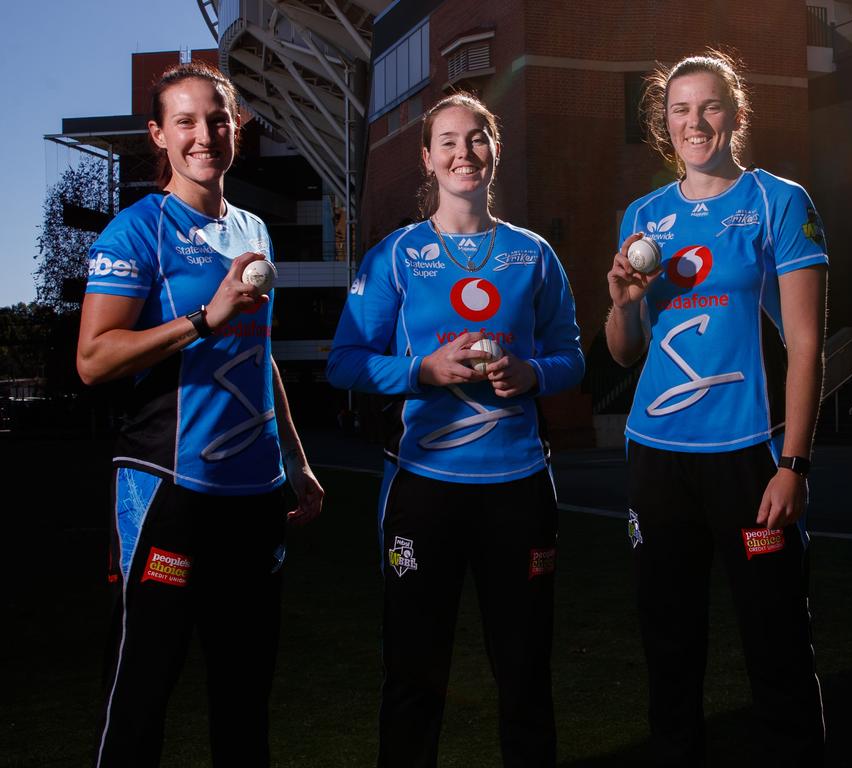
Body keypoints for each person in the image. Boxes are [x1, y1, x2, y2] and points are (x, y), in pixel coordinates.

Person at [76, 61, 324, 767]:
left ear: (236, 126)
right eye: (184, 121)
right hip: (170, 489)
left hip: (254, 497)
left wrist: (296, 461)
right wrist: (202, 316)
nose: (203, 135)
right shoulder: (135, 231)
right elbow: (94, 359)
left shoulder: (252, 229)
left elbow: (261, 353)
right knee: (142, 692)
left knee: (244, 702)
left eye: (217, 118)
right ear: (159, 134)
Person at [327, 93, 584, 768]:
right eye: (448, 141)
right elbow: (345, 362)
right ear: (427, 158)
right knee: (414, 678)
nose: (462, 153)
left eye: (475, 140)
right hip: (423, 491)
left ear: (494, 151)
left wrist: (533, 374)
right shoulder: (397, 255)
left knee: (525, 677)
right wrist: (423, 371)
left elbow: (572, 357)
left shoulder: (533, 255)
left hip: (519, 490)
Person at [605, 51, 828, 766]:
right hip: (658, 457)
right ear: (662, 123)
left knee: (777, 641)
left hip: (748, 460)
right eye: (679, 109)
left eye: (708, 106)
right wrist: (620, 303)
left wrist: (792, 463)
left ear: (734, 112)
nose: (694, 121)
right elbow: (620, 352)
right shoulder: (643, 217)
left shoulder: (777, 201)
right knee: (669, 647)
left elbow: (804, 343)